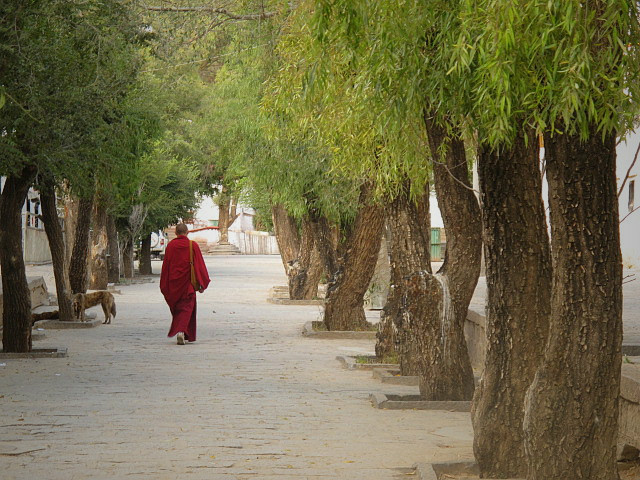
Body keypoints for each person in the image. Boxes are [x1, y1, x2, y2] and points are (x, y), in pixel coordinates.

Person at [160, 223, 210, 345]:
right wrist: (202, 283)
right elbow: (199, 265)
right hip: (188, 284)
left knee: (178, 309)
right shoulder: (192, 245)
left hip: (173, 284)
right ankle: (181, 331)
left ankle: (181, 330)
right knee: (187, 308)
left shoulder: (171, 246)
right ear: (187, 232)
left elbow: (166, 266)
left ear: (176, 233)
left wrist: (164, 285)